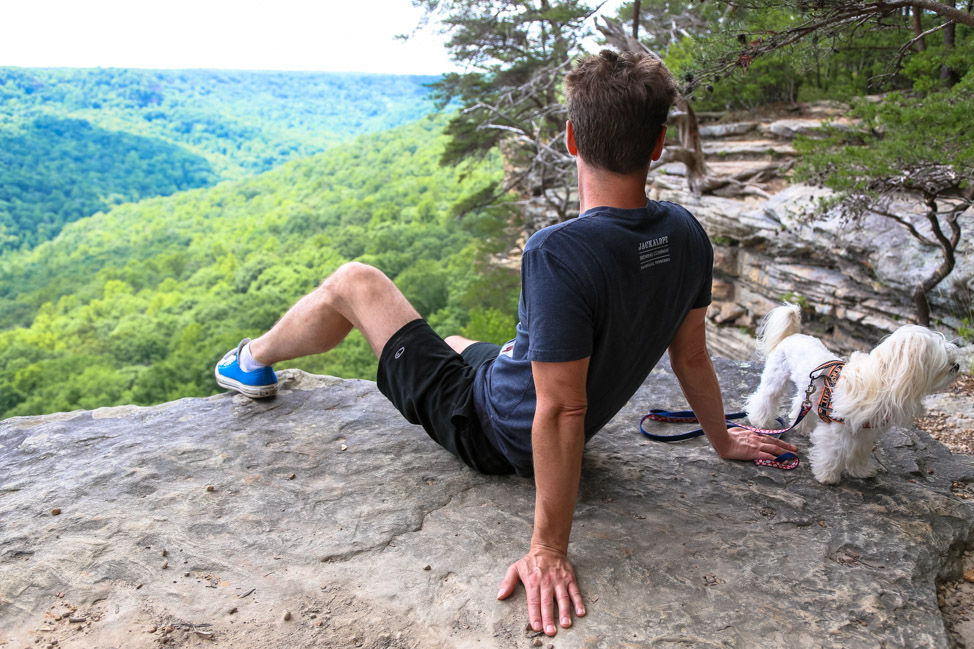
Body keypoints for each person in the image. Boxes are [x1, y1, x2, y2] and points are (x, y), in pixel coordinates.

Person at [214, 50, 797, 637]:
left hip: (492, 432)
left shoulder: (558, 252)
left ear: (571, 137)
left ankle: (250, 360)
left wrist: (548, 549)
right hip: (513, 388)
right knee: (460, 341)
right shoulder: (687, 234)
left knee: (354, 282)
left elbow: (563, 408)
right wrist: (721, 441)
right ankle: (441, 354)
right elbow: (691, 356)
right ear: (658, 145)